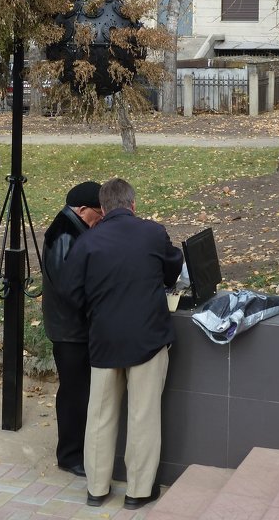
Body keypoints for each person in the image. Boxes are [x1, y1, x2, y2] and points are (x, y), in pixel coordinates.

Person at [63, 178, 183, 510]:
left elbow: (71, 293)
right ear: (132, 204)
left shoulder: (88, 241)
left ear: (104, 207)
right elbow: (173, 271)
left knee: (100, 416)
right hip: (148, 339)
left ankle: (97, 489)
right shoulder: (153, 233)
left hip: (103, 341)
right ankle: (138, 492)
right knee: (143, 415)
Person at [41, 181, 103, 477]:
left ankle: (78, 449)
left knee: (79, 391)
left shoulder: (73, 227)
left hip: (72, 327)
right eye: (98, 214)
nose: (101, 220)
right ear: (82, 210)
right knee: (74, 394)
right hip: (70, 331)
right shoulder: (65, 234)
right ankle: (69, 455)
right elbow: (70, 288)